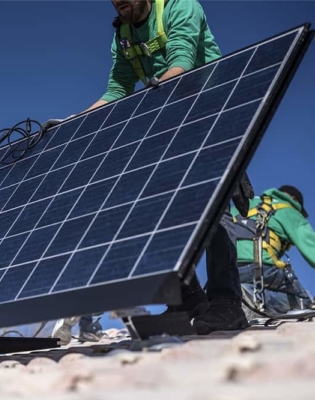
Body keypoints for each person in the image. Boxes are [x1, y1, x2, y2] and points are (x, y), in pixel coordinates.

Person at [50, 0, 250, 342]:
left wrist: (149, 108)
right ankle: (187, 300)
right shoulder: (123, 35)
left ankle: (227, 302)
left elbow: (182, 63)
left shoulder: (180, 7)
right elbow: (118, 89)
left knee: (214, 211)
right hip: (170, 123)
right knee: (161, 210)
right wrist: (77, 124)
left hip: (211, 115)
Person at [233, 185, 315, 316]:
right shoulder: (288, 209)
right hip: (261, 268)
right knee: (305, 302)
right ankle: (250, 299)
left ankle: (234, 296)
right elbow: (312, 248)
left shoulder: (241, 207)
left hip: (229, 270)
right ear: (293, 199)